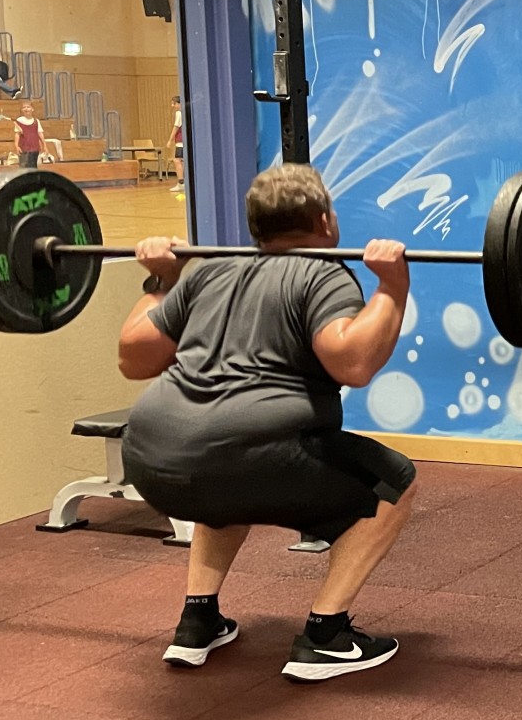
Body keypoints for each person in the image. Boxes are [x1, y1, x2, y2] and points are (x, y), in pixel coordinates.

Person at [118, 163, 419, 681]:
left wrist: (162, 280)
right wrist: (391, 287)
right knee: (394, 482)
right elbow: (353, 364)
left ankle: (198, 621)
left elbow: (133, 358)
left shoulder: (211, 271)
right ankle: (326, 636)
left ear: (257, 227)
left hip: (150, 459)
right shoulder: (321, 273)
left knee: (221, 476)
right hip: (245, 458)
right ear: (325, 221)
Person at [11, 102, 42, 169]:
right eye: (24, 107)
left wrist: (44, 145)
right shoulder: (19, 121)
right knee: (24, 167)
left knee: (33, 167)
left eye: (28, 107)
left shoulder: (36, 121)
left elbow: (40, 134)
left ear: (32, 109)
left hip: (34, 148)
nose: (26, 109)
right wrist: (16, 146)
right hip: (24, 148)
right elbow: (17, 134)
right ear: (21, 110)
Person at [168, 94, 185, 194]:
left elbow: (176, 127)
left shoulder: (179, 113)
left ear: (179, 104)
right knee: (182, 161)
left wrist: (170, 140)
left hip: (180, 141)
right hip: (184, 140)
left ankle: (181, 183)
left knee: (177, 160)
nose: (172, 106)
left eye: (174, 103)